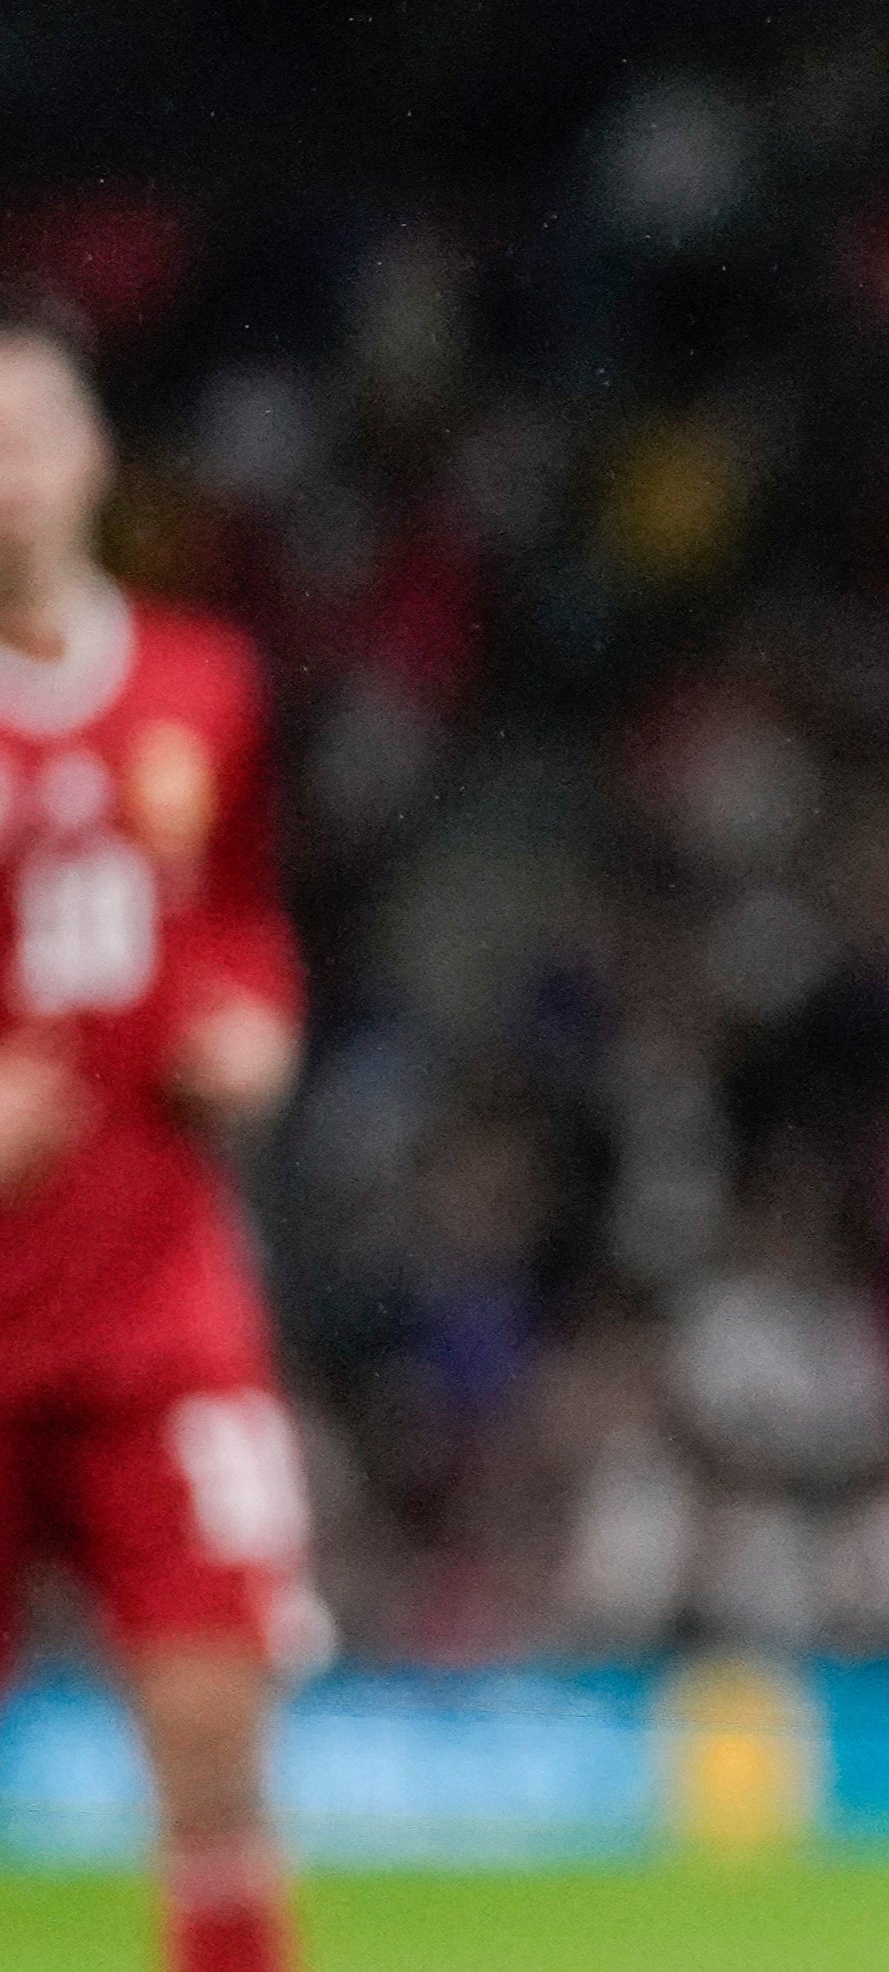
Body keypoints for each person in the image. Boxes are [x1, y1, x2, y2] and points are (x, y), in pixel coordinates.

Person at [0, 299, 321, 1972]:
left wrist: (257, 1032)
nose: (8, 479)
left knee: (215, 1762)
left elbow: (249, 926)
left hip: (159, 1311)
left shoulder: (205, 686)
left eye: (32, 437)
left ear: (94, 457)